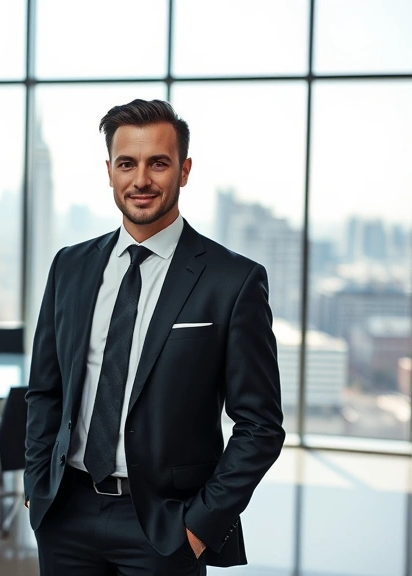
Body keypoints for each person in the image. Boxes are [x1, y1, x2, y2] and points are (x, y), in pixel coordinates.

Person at [24, 99, 285, 575]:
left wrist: (202, 524)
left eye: (157, 163)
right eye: (127, 163)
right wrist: (36, 485)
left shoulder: (233, 281)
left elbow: (261, 426)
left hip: (165, 526)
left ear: (184, 171)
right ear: (109, 172)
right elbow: (46, 390)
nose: (140, 180)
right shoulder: (70, 267)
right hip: (65, 515)